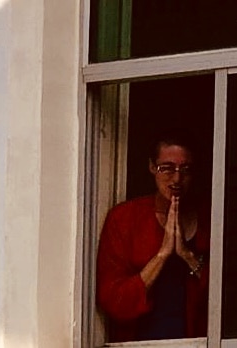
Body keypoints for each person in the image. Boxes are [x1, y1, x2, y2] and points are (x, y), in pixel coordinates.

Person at [96, 129, 210, 342]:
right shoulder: (125, 219)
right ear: (151, 167)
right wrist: (162, 255)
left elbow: (228, 300)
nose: (177, 178)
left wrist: (187, 255)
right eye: (166, 168)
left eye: (185, 169)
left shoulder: (208, 218)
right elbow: (114, 301)